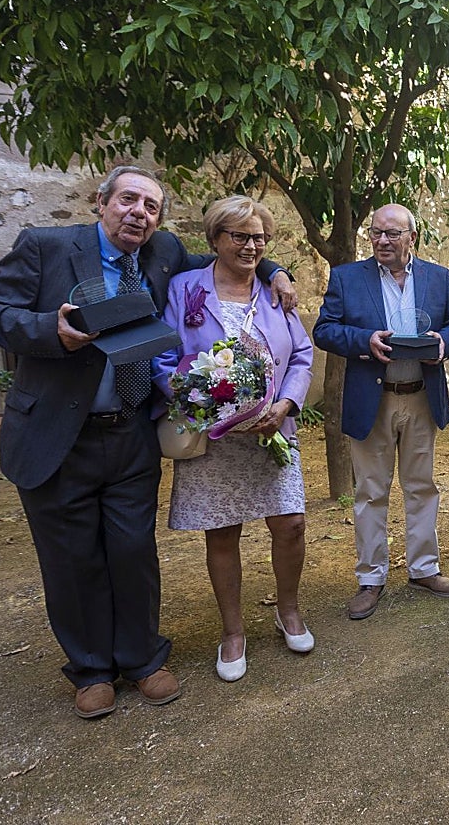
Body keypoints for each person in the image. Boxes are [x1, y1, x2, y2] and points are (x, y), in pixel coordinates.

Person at [0, 166, 295, 718]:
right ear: (102, 202)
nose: (138, 213)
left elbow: (230, 251)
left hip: (130, 431)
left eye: (151, 206)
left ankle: (143, 659)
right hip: (58, 434)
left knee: (132, 551)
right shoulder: (46, 246)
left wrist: (276, 269)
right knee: (72, 558)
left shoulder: (163, 252)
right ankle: (91, 670)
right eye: (128, 200)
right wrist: (51, 330)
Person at [154, 196, 314, 682]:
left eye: (259, 238)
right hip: (213, 438)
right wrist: (200, 401)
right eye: (240, 236)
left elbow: (301, 354)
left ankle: (288, 610)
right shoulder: (185, 288)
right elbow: (164, 358)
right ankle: (233, 631)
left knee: (291, 524)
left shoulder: (275, 292)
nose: (251, 246)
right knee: (223, 532)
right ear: (215, 239)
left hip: (272, 430)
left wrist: (286, 404)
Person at [314, 203, 449, 620]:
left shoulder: (438, 277)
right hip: (372, 399)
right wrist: (364, 340)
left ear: (411, 237)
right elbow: (324, 329)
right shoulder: (346, 277)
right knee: (370, 491)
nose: (382, 240)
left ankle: (424, 569)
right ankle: (370, 578)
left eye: (392, 233)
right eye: (376, 232)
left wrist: (443, 344)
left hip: (421, 396)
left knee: (422, 486)